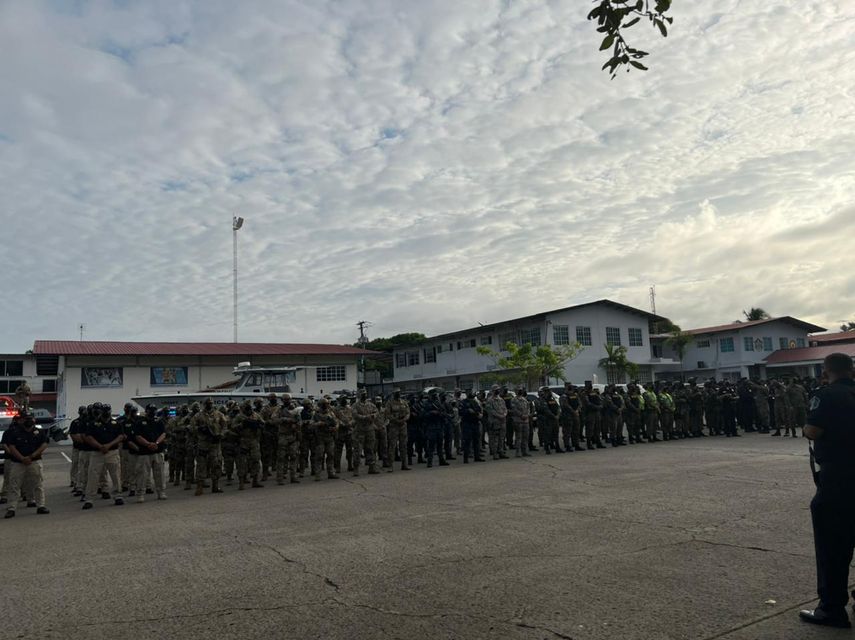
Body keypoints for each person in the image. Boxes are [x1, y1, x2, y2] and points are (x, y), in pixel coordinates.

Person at [799, 353, 855, 628]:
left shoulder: (827, 395)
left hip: (840, 480)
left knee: (833, 546)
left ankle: (832, 608)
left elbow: (812, 430)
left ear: (826, 371)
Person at [3, 412, 49, 518]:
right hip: (18, 462)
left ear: (34, 419)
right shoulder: (14, 432)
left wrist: (32, 456)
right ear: (22, 420)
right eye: (26, 418)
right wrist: (22, 458)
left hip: (34, 461)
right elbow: (11, 447)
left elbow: (44, 444)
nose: (28, 420)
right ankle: (11, 508)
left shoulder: (40, 432)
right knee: (14, 485)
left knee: (38, 484)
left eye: (30, 418)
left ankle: (41, 506)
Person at [82, 405, 125, 510]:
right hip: (97, 453)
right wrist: (99, 446)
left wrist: (109, 445)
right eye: (104, 411)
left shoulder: (116, 423)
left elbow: (121, 436)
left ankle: (117, 496)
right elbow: (88, 437)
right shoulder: (93, 424)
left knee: (115, 475)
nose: (106, 413)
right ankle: (89, 499)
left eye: (108, 411)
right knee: (93, 476)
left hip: (112, 451)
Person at [134, 404, 168, 502]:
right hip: (144, 452)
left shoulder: (159, 421)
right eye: (150, 410)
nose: (152, 412)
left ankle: (161, 492)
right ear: (146, 410)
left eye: (154, 410)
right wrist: (148, 444)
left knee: (160, 474)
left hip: (157, 451)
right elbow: (138, 436)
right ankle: (140, 494)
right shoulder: (140, 422)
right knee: (142, 474)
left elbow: (163, 434)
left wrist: (156, 443)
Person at [384, 389, 411, 472]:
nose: (398, 394)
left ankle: (404, 464)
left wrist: (404, 419)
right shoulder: (389, 403)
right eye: (396, 393)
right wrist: (396, 420)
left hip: (403, 426)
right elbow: (387, 414)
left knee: (403, 446)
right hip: (394, 426)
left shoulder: (404, 402)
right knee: (392, 446)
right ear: (394, 394)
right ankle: (390, 466)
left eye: (399, 393)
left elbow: (408, 413)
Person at [485, 386, 509, 460]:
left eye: (498, 390)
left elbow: (505, 408)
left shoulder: (501, 399)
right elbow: (491, 411)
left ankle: (501, 452)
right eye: (496, 390)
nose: (498, 391)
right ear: (493, 391)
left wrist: (504, 415)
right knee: (495, 439)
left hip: (502, 421)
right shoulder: (489, 400)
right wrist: (500, 416)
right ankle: (495, 453)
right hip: (495, 422)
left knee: (502, 438)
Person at [510, 388, 531, 457]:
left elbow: (528, 408)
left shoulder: (524, 399)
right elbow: (514, 409)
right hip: (518, 420)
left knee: (525, 437)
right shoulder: (514, 400)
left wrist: (527, 415)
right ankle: (518, 452)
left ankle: (524, 451)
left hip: (525, 421)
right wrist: (521, 415)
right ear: (515, 392)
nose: (520, 391)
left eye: (521, 390)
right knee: (519, 437)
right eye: (518, 390)